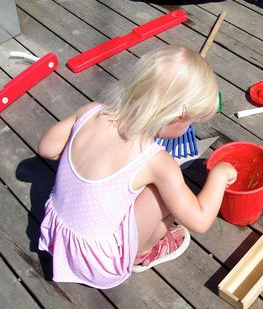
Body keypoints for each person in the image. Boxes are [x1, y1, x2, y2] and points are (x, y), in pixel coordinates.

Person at [37, 46, 237, 289]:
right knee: (165, 194)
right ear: (175, 117)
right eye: (190, 122)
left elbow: (47, 148)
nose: (188, 128)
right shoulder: (156, 161)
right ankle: (141, 253)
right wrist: (219, 174)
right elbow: (201, 221)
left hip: (57, 239)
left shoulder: (91, 112)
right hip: (100, 263)